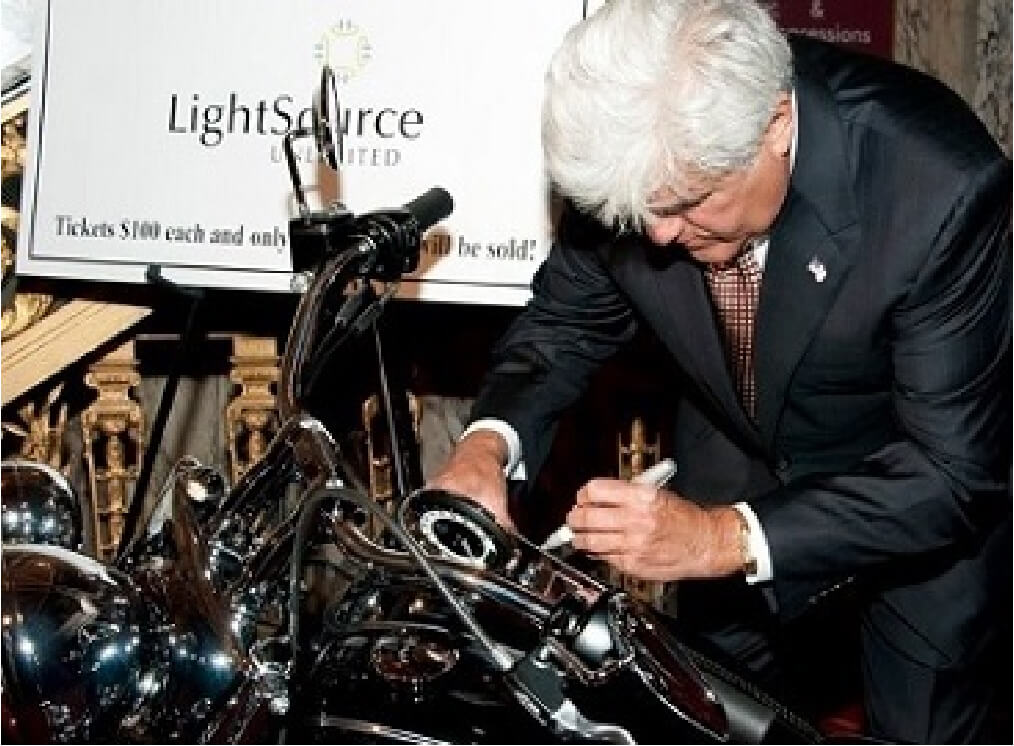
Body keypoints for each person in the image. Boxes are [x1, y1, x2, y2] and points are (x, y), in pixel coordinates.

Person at [429, 0, 1012, 742]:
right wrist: (488, 446)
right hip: (736, 463)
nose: (659, 234)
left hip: (913, 520)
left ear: (775, 128)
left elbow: (951, 470)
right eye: (639, 212)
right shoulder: (646, 161)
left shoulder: (937, 186)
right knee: (698, 722)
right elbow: (564, 323)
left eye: (683, 204)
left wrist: (722, 538)